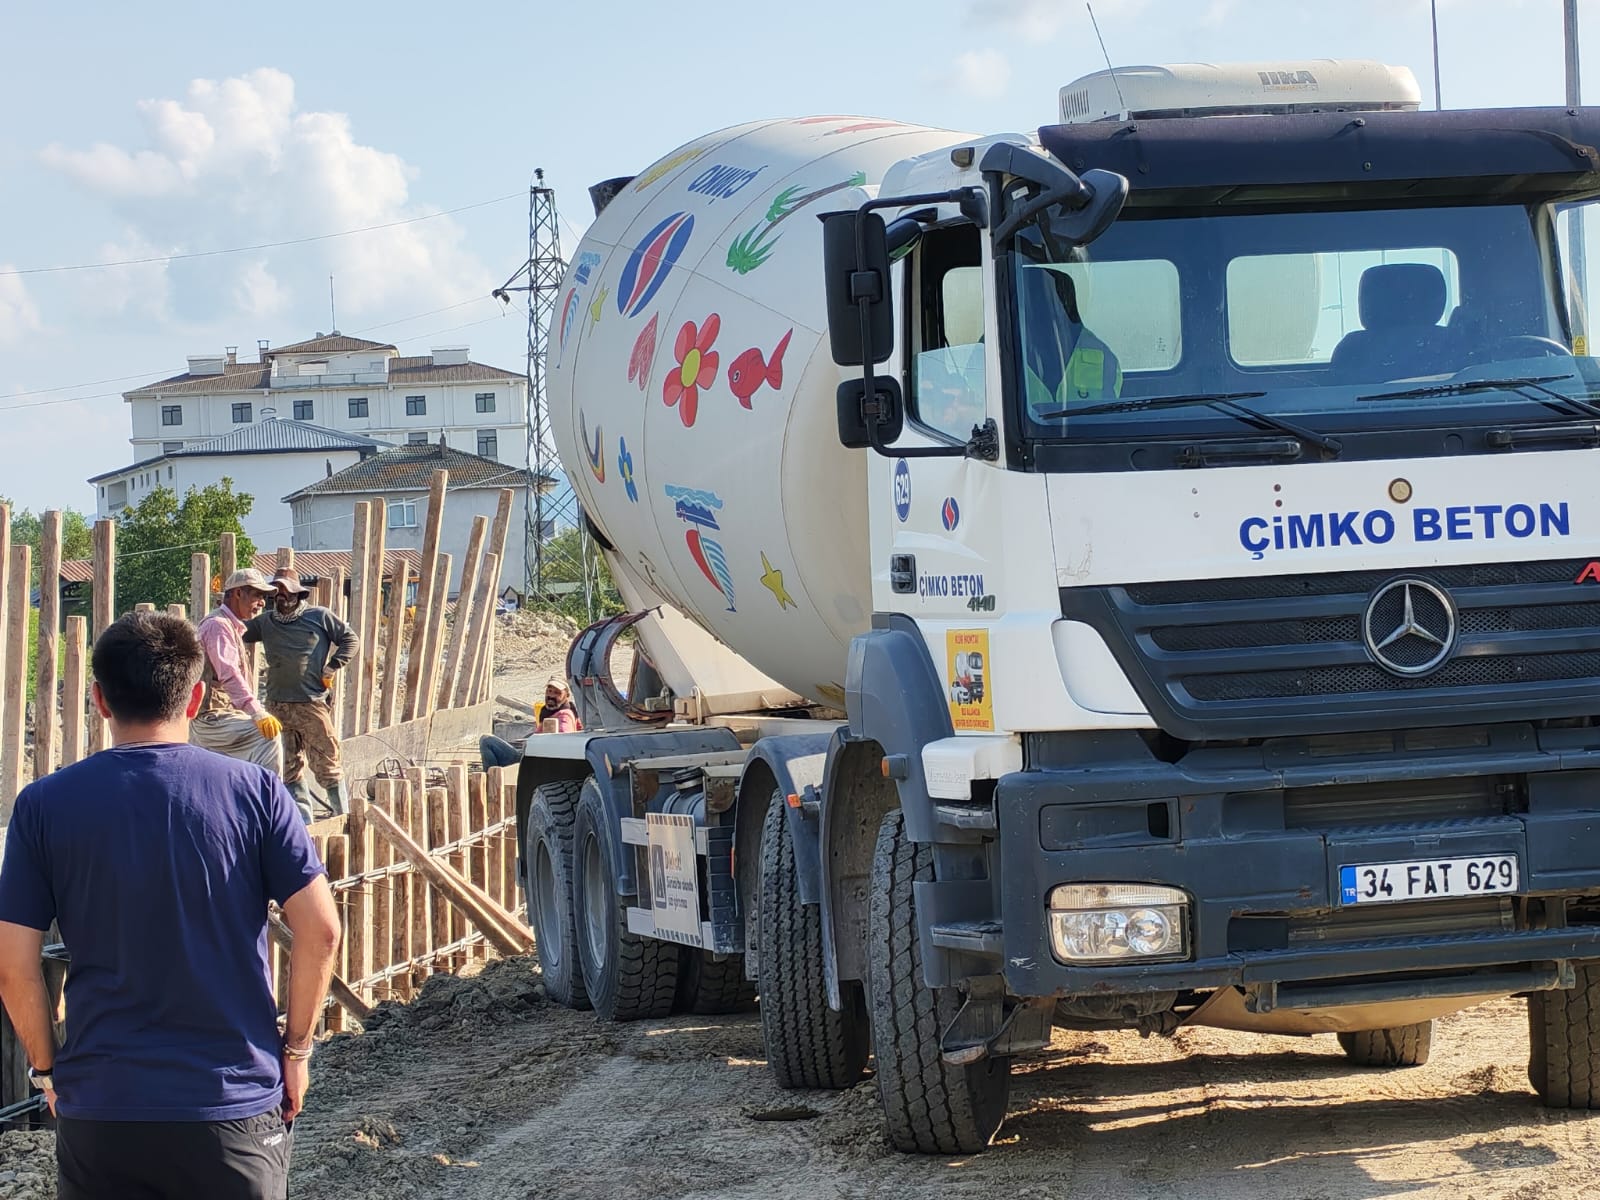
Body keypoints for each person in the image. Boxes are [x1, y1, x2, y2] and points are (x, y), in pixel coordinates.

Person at [0, 612, 341, 1200]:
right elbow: (322, 931)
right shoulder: (256, 792)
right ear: (196, 697)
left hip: (103, 1110)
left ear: (100, 700)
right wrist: (298, 1049)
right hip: (232, 1107)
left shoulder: (42, 806)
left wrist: (47, 1071)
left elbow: (13, 968)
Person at [245, 570, 359, 821]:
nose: (281, 598)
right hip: (277, 704)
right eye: (276, 593)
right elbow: (236, 630)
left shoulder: (318, 616)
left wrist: (333, 665)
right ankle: (304, 820)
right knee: (287, 765)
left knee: (327, 761)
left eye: (286, 592)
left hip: (311, 703)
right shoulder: (265, 622)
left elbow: (350, 639)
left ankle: (343, 816)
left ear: (298, 593)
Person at [192, 568, 283, 776]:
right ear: (238, 593)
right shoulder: (218, 626)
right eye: (257, 595)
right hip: (211, 719)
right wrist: (256, 712)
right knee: (267, 737)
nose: (262, 603)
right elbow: (229, 673)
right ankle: (268, 804)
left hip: (220, 717)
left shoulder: (228, 626)